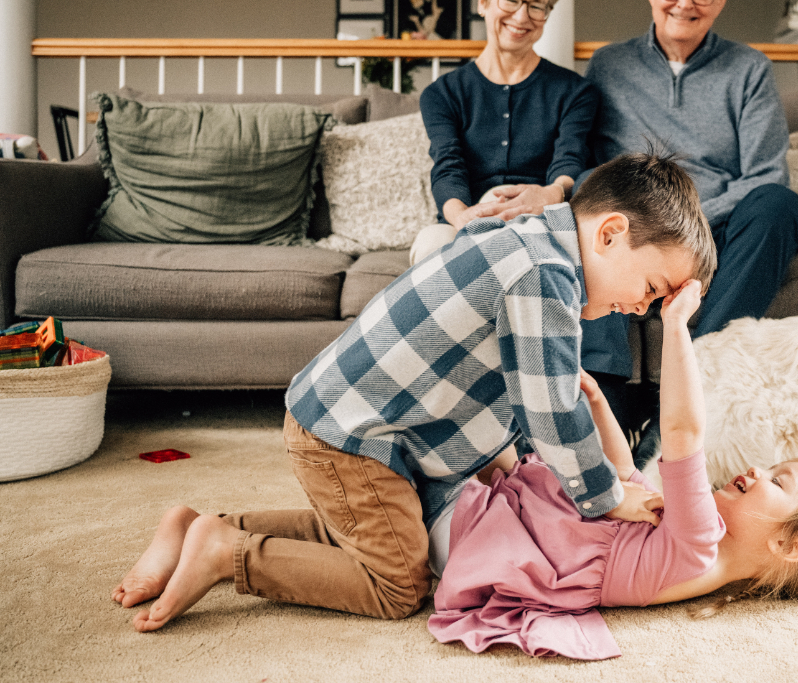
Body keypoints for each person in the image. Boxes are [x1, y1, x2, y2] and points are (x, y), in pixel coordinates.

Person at [111, 152, 718, 633]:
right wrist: (606, 497)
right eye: (651, 287)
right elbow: (551, 408)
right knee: (396, 583)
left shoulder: (525, 238)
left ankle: (199, 524)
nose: (641, 307)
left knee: (369, 534)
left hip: (351, 420)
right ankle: (224, 551)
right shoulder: (544, 277)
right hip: (350, 438)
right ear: (610, 234)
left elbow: (499, 391)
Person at [427, 274, 798, 660]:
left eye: (777, 481)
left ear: (787, 546)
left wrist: (676, 325)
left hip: (481, 536)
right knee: (492, 415)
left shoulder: (699, 547)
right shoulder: (695, 541)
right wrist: (598, 403)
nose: (757, 470)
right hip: (518, 514)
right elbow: (625, 473)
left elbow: (682, 432)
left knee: (450, 419)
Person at [579, 0, 798, 445]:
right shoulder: (608, 65)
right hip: (638, 229)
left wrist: (692, 225)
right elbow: (592, 166)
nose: (685, 2)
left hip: (719, 228)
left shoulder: (749, 68)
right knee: (589, 227)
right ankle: (610, 408)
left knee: (779, 205)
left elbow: (767, 173)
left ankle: (692, 377)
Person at [409, 0, 599, 266]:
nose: (522, 17)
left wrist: (549, 195)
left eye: (537, 6)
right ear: (483, 0)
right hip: (466, 221)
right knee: (432, 244)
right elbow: (448, 166)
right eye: (511, 0)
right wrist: (464, 218)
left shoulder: (576, 92)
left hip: (542, 224)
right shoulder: (441, 94)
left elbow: (571, 159)